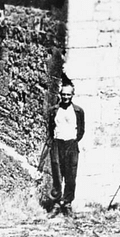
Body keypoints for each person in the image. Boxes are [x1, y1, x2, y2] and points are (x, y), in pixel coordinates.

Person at [48, 81, 84, 215]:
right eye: (63, 94)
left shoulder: (78, 111)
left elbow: (81, 130)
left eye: (68, 95)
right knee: (57, 175)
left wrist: (73, 141)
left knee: (70, 176)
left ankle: (67, 203)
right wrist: (55, 141)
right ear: (60, 95)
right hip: (57, 144)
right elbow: (50, 129)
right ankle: (56, 204)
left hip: (71, 144)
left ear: (73, 95)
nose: (66, 97)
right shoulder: (54, 110)